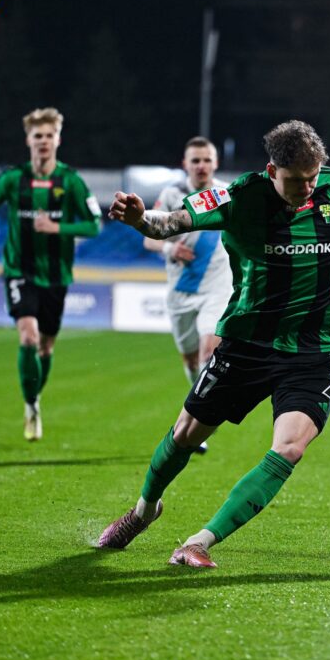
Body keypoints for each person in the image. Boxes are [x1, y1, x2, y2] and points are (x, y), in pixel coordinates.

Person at [97, 120, 330, 569]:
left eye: (313, 177)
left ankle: (199, 542)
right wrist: (140, 219)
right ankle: (143, 512)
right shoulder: (237, 197)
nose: (308, 188)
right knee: (184, 436)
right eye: (296, 180)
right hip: (248, 345)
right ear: (272, 170)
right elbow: (170, 223)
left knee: (289, 448)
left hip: (313, 352)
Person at [0, 107, 101, 441]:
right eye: (37, 136)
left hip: (56, 276)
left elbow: (94, 224)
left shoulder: (71, 181)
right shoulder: (13, 178)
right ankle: (30, 404)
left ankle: (34, 399)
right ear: (28, 140)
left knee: (45, 349)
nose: (43, 141)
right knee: (28, 336)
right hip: (19, 269)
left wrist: (55, 227)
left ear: (58, 139)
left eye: (48, 136)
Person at [143, 137, 233, 453]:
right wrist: (170, 246)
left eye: (206, 159)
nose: (201, 165)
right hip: (181, 292)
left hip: (217, 289)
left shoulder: (225, 194)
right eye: (195, 160)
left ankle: (200, 420)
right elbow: (148, 239)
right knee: (190, 358)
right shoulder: (171, 195)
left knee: (210, 351)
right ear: (186, 164)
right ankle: (201, 404)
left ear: (215, 163)